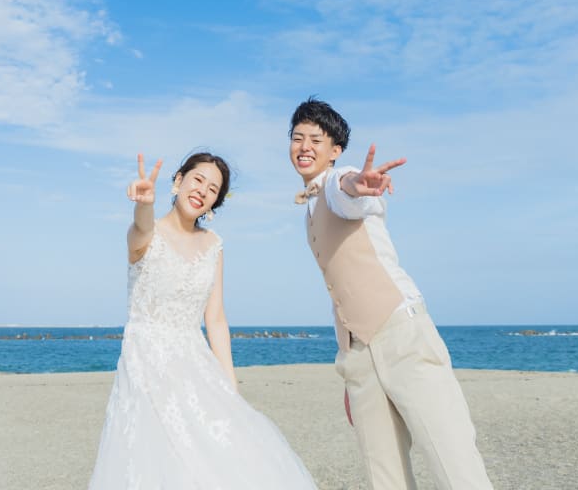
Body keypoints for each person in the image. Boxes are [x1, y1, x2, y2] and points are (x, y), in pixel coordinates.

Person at [289, 97, 494, 490]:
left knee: (454, 463)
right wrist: (352, 366)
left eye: (316, 138)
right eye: (297, 137)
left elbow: (348, 191)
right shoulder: (309, 212)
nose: (304, 146)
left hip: (402, 334)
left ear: (335, 151)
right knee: (385, 477)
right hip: (359, 357)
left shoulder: (339, 181)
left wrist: (359, 185)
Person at [88, 150, 318, 490]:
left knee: (223, 456)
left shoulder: (214, 245)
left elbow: (216, 319)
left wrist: (230, 385)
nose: (203, 191)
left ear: (215, 203)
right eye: (198, 180)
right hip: (145, 366)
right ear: (178, 180)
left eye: (213, 190)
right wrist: (144, 204)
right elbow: (138, 230)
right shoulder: (147, 233)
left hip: (195, 365)